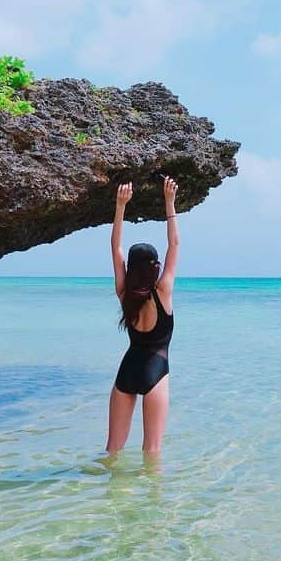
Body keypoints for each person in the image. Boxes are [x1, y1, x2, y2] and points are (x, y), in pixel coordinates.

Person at [106, 175, 179, 454]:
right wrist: (169, 202)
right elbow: (175, 245)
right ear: (155, 268)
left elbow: (116, 249)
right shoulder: (163, 292)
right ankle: (153, 499)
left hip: (127, 369)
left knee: (113, 449)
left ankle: (110, 497)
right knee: (152, 452)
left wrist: (121, 205)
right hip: (156, 371)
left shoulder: (124, 293)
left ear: (131, 269)